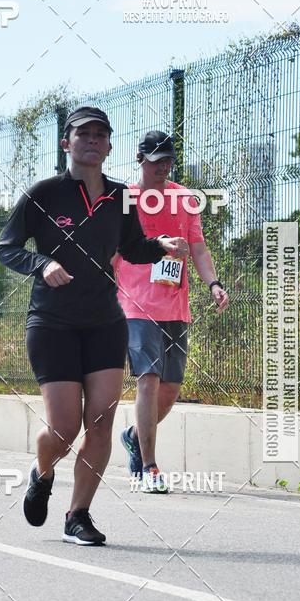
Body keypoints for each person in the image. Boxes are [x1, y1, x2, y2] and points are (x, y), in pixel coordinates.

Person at [0, 107, 187, 545]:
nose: (93, 140)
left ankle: (77, 515)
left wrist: (159, 246)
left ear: (110, 145)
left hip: (105, 322)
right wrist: (41, 263)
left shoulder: (120, 196)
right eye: (84, 133)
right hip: (52, 323)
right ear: (67, 142)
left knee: (100, 423)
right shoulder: (44, 192)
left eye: (101, 134)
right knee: (62, 428)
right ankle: (42, 474)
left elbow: (132, 247)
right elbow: (4, 248)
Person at [116, 131, 229, 492]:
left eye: (168, 160)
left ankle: (134, 435)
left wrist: (213, 283)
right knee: (147, 378)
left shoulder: (184, 198)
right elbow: (113, 251)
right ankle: (149, 466)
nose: (163, 166)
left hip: (175, 305)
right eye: (156, 159)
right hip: (135, 302)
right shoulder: (126, 200)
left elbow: (198, 246)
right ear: (140, 159)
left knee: (170, 388)